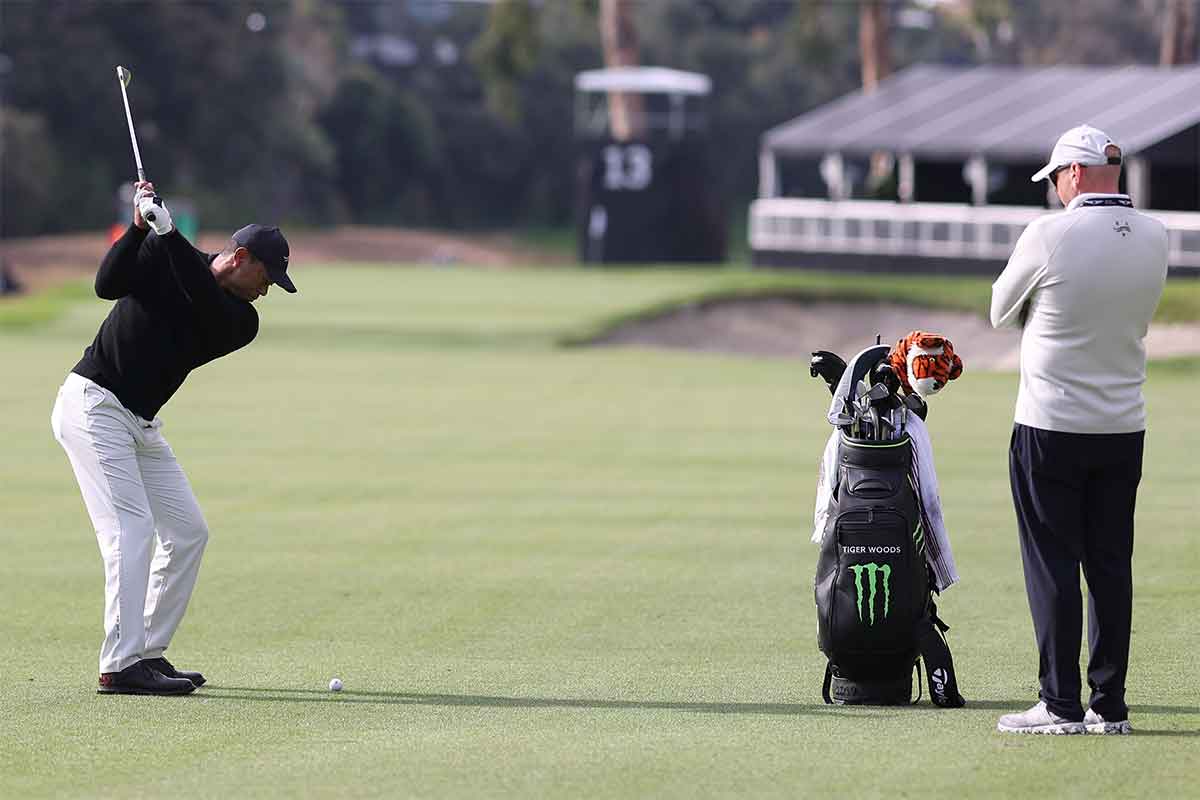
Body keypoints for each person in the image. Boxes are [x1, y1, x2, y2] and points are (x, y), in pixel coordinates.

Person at [51, 182, 297, 695]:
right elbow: (107, 283)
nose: (266, 289)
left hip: (139, 424)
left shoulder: (241, 321)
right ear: (241, 256)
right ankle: (119, 667)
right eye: (267, 276)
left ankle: (146, 651)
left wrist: (167, 235)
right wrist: (140, 230)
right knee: (131, 529)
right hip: (94, 404)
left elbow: (200, 301)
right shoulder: (167, 256)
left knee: (188, 532)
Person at [990, 125, 1168, 734]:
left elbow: (999, 309)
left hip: (1050, 425)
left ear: (1073, 174)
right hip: (1123, 427)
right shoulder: (1156, 235)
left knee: (1054, 562)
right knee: (1111, 565)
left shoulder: (1048, 233)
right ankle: (1108, 705)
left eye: (1055, 180)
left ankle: (1060, 704)